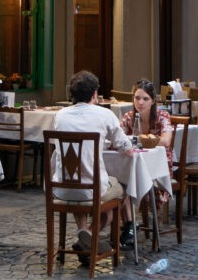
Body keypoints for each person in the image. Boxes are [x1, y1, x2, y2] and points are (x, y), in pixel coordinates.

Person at [53, 70, 132, 260]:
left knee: (78, 184)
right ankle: (90, 236)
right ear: (95, 94)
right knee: (119, 190)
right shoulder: (104, 115)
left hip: (62, 188)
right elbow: (126, 148)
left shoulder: (60, 115)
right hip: (92, 190)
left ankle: (83, 235)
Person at [117, 79, 173, 247]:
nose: (140, 102)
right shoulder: (129, 117)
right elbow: (118, 137)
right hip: (134, 164)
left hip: (158, 166)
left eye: (145, 99)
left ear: (153, 101)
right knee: (119, 183)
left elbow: (166, 140)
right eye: (137, 98)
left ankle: (130, 227)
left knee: (125, 181)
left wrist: (137, 140)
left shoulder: (162, 116)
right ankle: (129, 226)